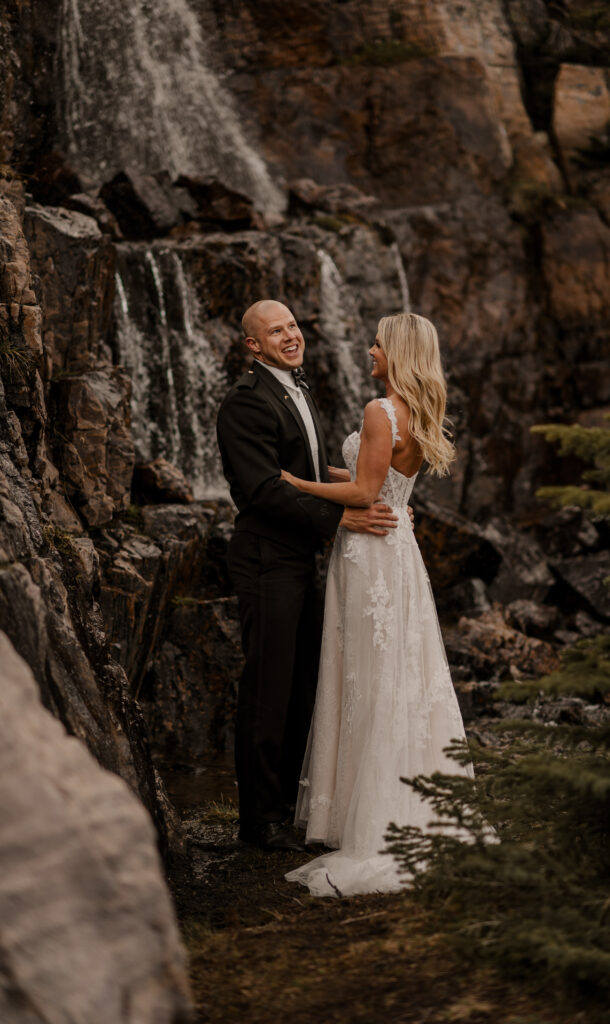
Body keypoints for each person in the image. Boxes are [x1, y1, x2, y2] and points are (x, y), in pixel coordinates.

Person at [284, 312, 475, 895]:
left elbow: (365, 494)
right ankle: (406, 803)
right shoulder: (416, 411)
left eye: (376, 343)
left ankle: (365, 819)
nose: (368, 350)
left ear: (397, 351)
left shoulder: (378, 410)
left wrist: (295, 485)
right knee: (399, 676)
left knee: (369, 674)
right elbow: (383, 480)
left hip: (369, 553)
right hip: (400, 551)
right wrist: (327, 475)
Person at [216, 300, 400, 852]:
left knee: (301, 685)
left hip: (303, 557)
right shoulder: (245, 403)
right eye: (276, 331)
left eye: (293, 325)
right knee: (268, 687)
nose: (291, 335)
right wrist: (341, 516)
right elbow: (264, 489)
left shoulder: (297, 387)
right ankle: (258, 822)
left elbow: (313, 474)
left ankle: (289, 808)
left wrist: (385, 495)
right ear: (253, 345)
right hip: (266, 558)